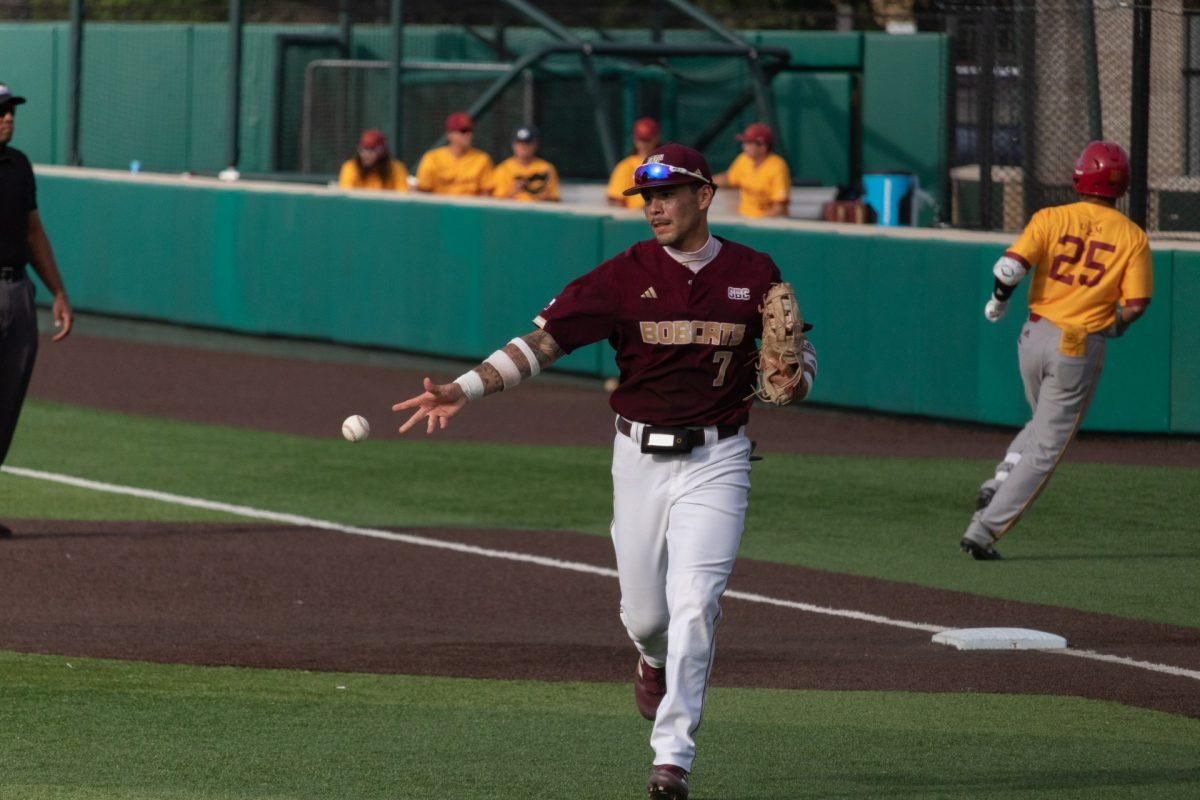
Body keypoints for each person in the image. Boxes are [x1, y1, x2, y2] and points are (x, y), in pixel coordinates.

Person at [393, 143, 818, 800]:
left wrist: (800, 376)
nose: (654, 208)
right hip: (640, 459)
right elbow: (543, 343)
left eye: (667, 194)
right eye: (646, 197)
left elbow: (792, 351)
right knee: (648, 617)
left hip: (721, 458)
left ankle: (671, 759)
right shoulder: (623, 275)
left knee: (696, 606)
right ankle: (650, 658)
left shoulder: (753, 270)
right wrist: (463, 389)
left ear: (704, 196)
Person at [960, 140, 1152, 561]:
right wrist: (1114, 325)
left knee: (1042, 420)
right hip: (1077, 345)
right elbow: (1136, 304)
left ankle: (1001, 477)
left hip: (1032, 337)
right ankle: (984, 529)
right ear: (1122, 185)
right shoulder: (1132, 236)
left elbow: (1009, 268)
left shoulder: (1051, 217)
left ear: (1080, 175)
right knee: (1047, 449)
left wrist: (999, 301)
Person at [0, 83, 73, 539]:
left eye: (10, 111)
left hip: (17, 293)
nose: (7, 117)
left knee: (6, 403)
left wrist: (58, 292)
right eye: (0, 111)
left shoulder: (18, 166)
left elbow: (32, 230)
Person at [713, 122, 791, 218]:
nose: (744, 146)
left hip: (771, 224)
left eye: (749, 143)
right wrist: (705, 181)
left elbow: (780, 208)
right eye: (745, 143)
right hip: (745, 221)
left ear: (763, 147)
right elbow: (728, 179)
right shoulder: (743, 159)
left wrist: (758, 224)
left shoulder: (778, 166)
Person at [415, 111, 494, 196]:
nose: (468, 134)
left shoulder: (482, 159)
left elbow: (486, 193)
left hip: (470, 207)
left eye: (470, 130)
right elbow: (423, 190)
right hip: (440, 207)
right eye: (463, 131)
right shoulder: (432, 158)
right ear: (449, 134)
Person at [490, 125, 560, 202]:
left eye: (527, 143)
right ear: (513, 145)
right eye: (519, 143)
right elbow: (496, 204)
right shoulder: (503, 169)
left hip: (539, 211)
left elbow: (555, 199)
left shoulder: (546, 168)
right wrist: (513, 192)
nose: (523, 147)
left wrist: (546, 199)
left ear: (535, 145)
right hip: (513, 211)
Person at [607, 117, 662, 210]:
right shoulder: (626, 165)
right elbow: (616, 199)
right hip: (635, 217)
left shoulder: (666, 162)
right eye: (641, 139)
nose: (643, 144)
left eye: (647, 140)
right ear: (635, 139)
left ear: (656, 138)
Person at [337, 129, 409, 192]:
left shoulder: (396, 168)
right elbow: (347, 197)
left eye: (371, 150)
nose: (365, 154)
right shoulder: (350, 167)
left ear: (382, 151)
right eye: (362, 150)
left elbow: (402, 196)